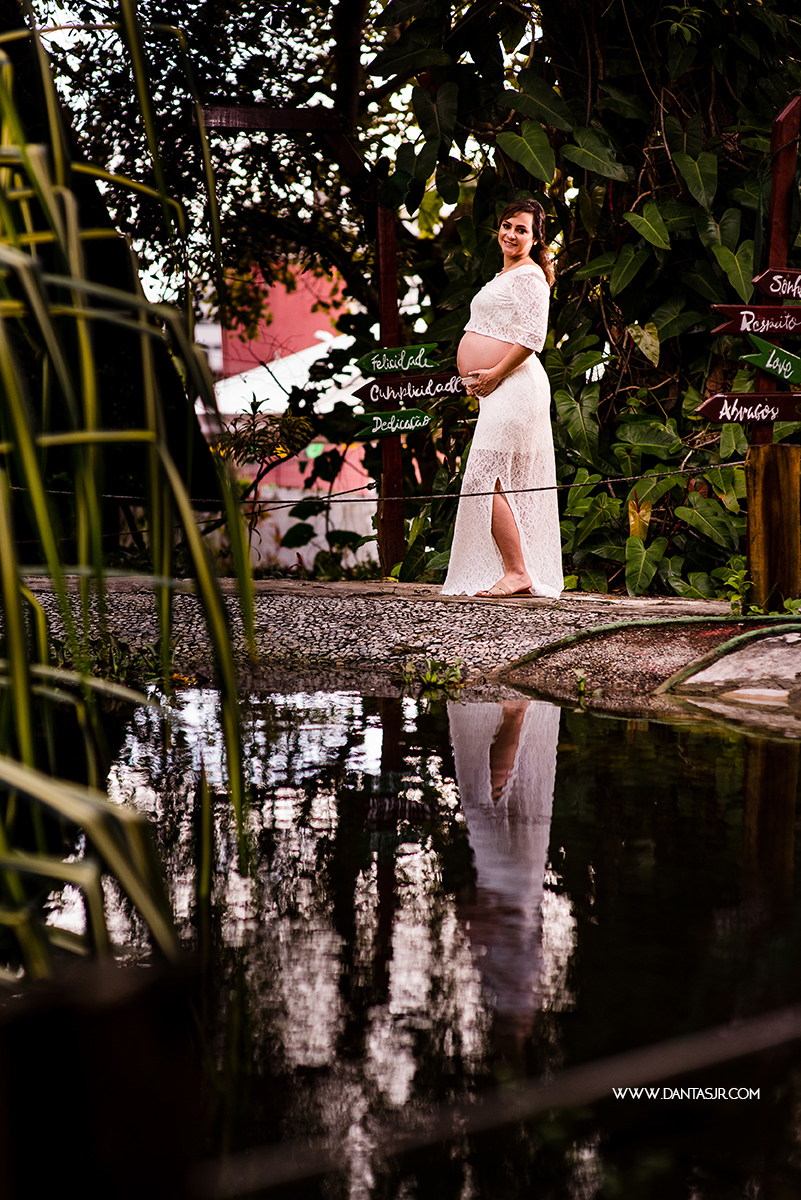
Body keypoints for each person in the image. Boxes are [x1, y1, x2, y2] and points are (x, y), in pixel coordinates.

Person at [441, 200, 564, 598]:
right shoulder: (504, 274)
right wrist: (477, 378)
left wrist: (494, 373)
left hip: (516, 386)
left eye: (522, 229)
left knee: (483, 476)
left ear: (535, 237)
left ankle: (517, 571)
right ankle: (515, 569)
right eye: (507, 225)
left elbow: (532, 338)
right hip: (496, 390)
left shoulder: (530, 277)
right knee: (490, 478)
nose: (511, 234)